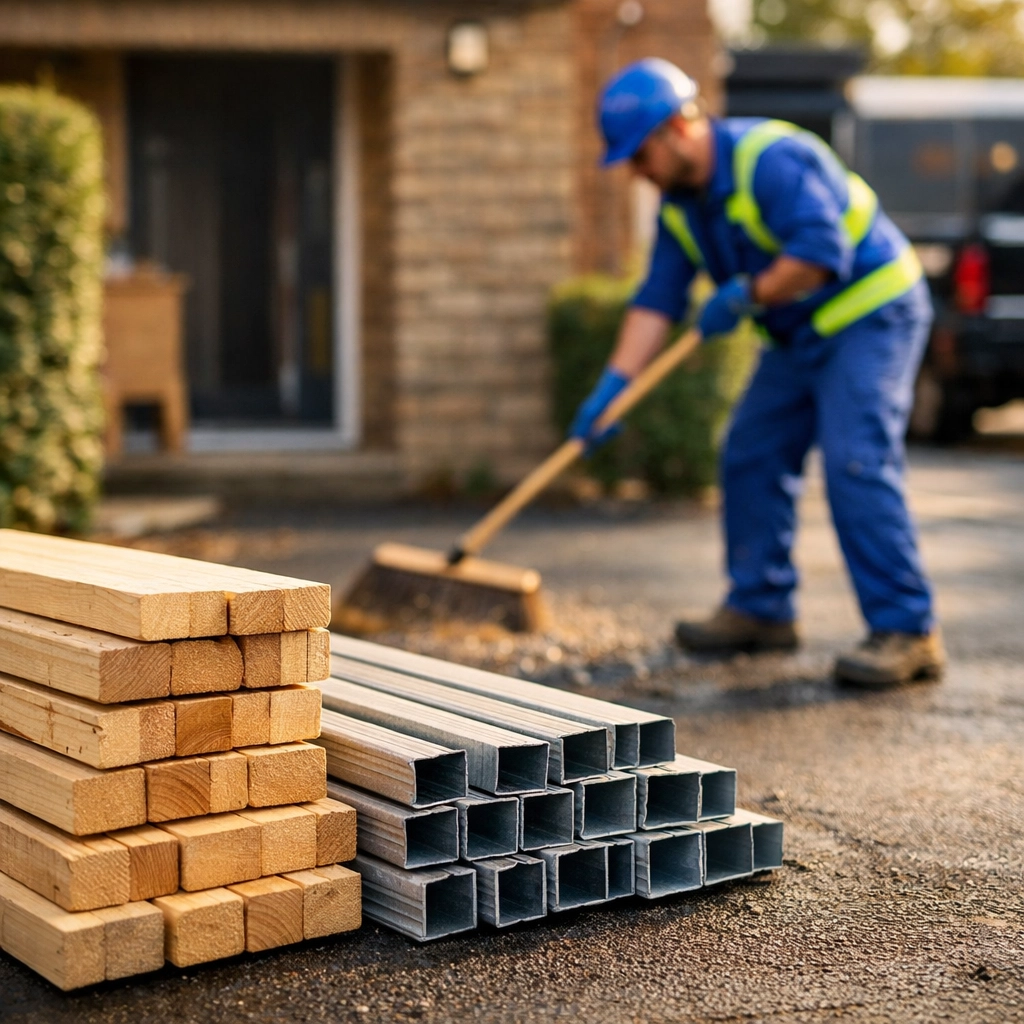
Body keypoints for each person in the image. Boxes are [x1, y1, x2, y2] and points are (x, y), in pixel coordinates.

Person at [569, 58, 944, 688]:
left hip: (872, 314)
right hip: (797, 333)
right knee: (750, 453)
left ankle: (908, 630)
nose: (636, 172)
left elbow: (821, 254)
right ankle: (761, 608)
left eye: (639, 155)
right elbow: (656, 301)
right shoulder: (680, 209)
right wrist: (614, 387)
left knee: (856, 459)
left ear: (678, 128)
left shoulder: (770, 160)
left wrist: (749, 293)